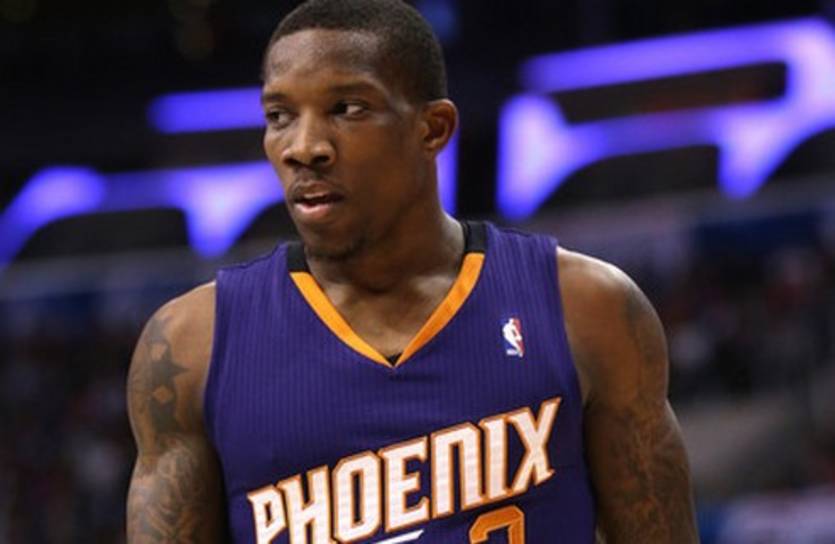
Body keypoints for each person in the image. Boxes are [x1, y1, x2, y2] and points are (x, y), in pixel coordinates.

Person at [126, 0, 699, 542]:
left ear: (433, 129)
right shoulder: (192, 346)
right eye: (280, 115)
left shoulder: (587, 307)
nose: (305, 146)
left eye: (347, 109)